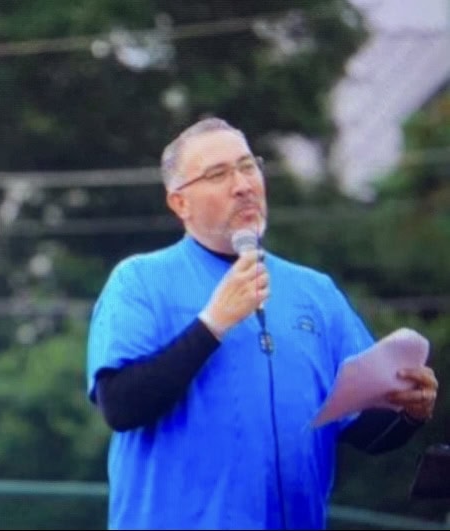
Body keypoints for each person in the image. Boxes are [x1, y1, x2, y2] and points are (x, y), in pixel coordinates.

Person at [86, 117, 439, 529]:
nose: (242, 184)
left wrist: (408, 410)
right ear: (179, 203)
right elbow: (121, 406)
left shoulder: (316, 292)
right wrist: (212, 324)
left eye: (248, 166)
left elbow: (364, 432)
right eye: (217, 174)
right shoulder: (139, 280)